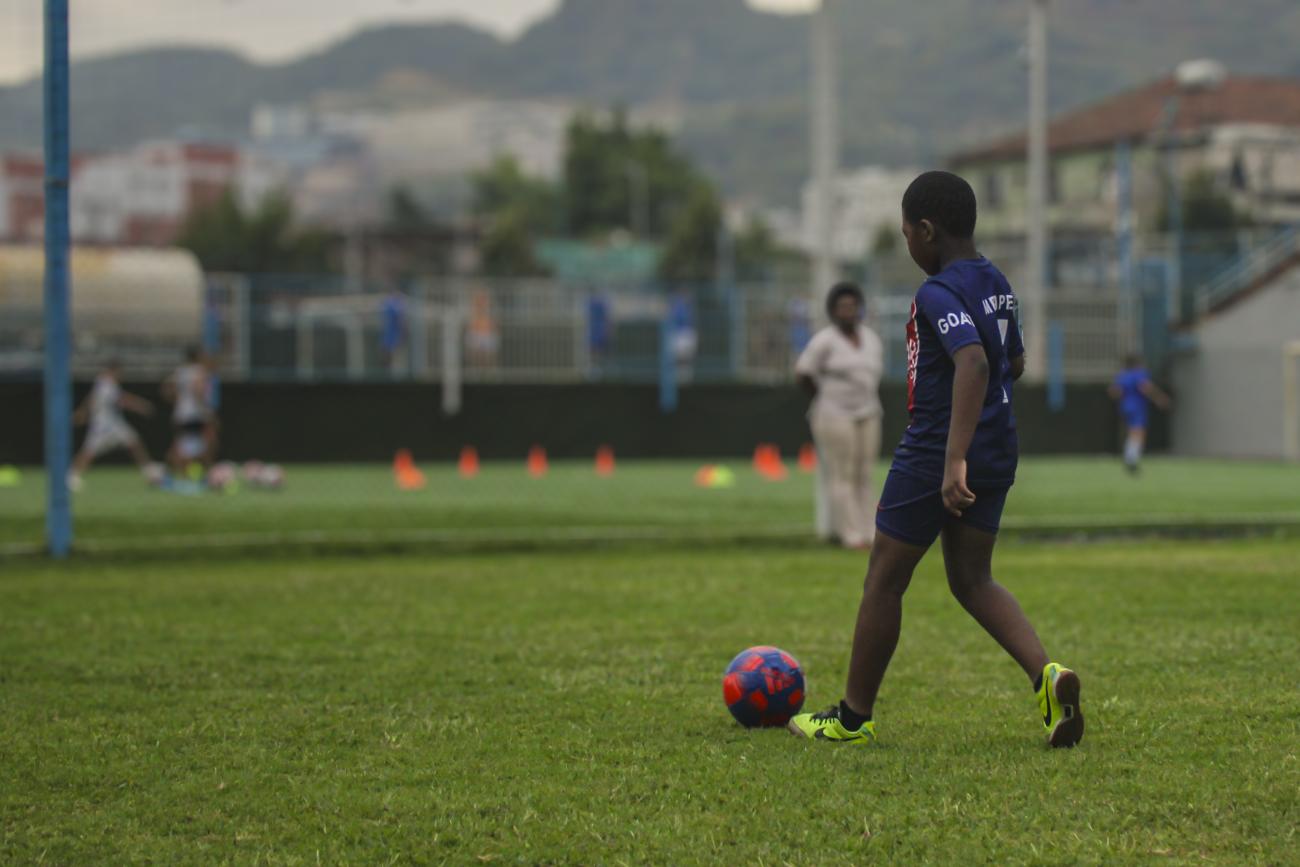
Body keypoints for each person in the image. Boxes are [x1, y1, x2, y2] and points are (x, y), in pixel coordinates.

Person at [787, 171, 1083, 748]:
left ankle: (851, 718)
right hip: (999, 445)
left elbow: (972, 362)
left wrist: (952, 462)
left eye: (905, 234)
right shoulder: (995, 279)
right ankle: (1047, 676)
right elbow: (1012, 363)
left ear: (927, 230)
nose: (907, 245)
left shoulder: (937, 291)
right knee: (973, 579)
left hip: (936, 452)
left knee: (884, 579)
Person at [795, 283, 884, 549]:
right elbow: (803, 373)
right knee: (841, 474)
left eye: (852, 306)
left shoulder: (870, 338)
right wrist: (822, 398)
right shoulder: (825, 340)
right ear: (833, 311)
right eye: (842, 307)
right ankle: (849, 533)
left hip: (868, 411)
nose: (848, 312)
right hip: (834, 413)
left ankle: (870, 531)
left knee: (864, 473)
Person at [69, 359, 157, 490]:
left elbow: (91, 399)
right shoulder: (107, 383)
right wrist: (141, 405)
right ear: (114, 370)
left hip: (113, 422)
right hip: (103, 424)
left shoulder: (102, 382)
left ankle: (148, 471)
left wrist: (83, 412)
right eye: (119, 372)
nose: (121, 375)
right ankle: (72, 476)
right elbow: (122, 399)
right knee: (89, 450)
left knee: (134, 442)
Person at [1109, 354, 1172, 474]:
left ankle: (1129, 458)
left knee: (1132, 432)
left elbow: (1114, 391)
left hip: (1125, 406)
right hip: (1137, 407)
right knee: (1138, 432)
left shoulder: (1123, 375)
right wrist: (1160, 398)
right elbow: (1145, 387)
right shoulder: (1139, 373)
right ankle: (1131, 460)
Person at [162, 346, 212, 476]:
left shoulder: (181, 372)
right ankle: (200, 473)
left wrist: (177, 402)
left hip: (181, 413)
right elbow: (198, 390)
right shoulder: (199, 371)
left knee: (182, 443)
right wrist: (205, 408)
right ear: (197, 356)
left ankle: (170, 472)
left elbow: (167, 389)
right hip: (195, 413)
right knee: (201, 442)